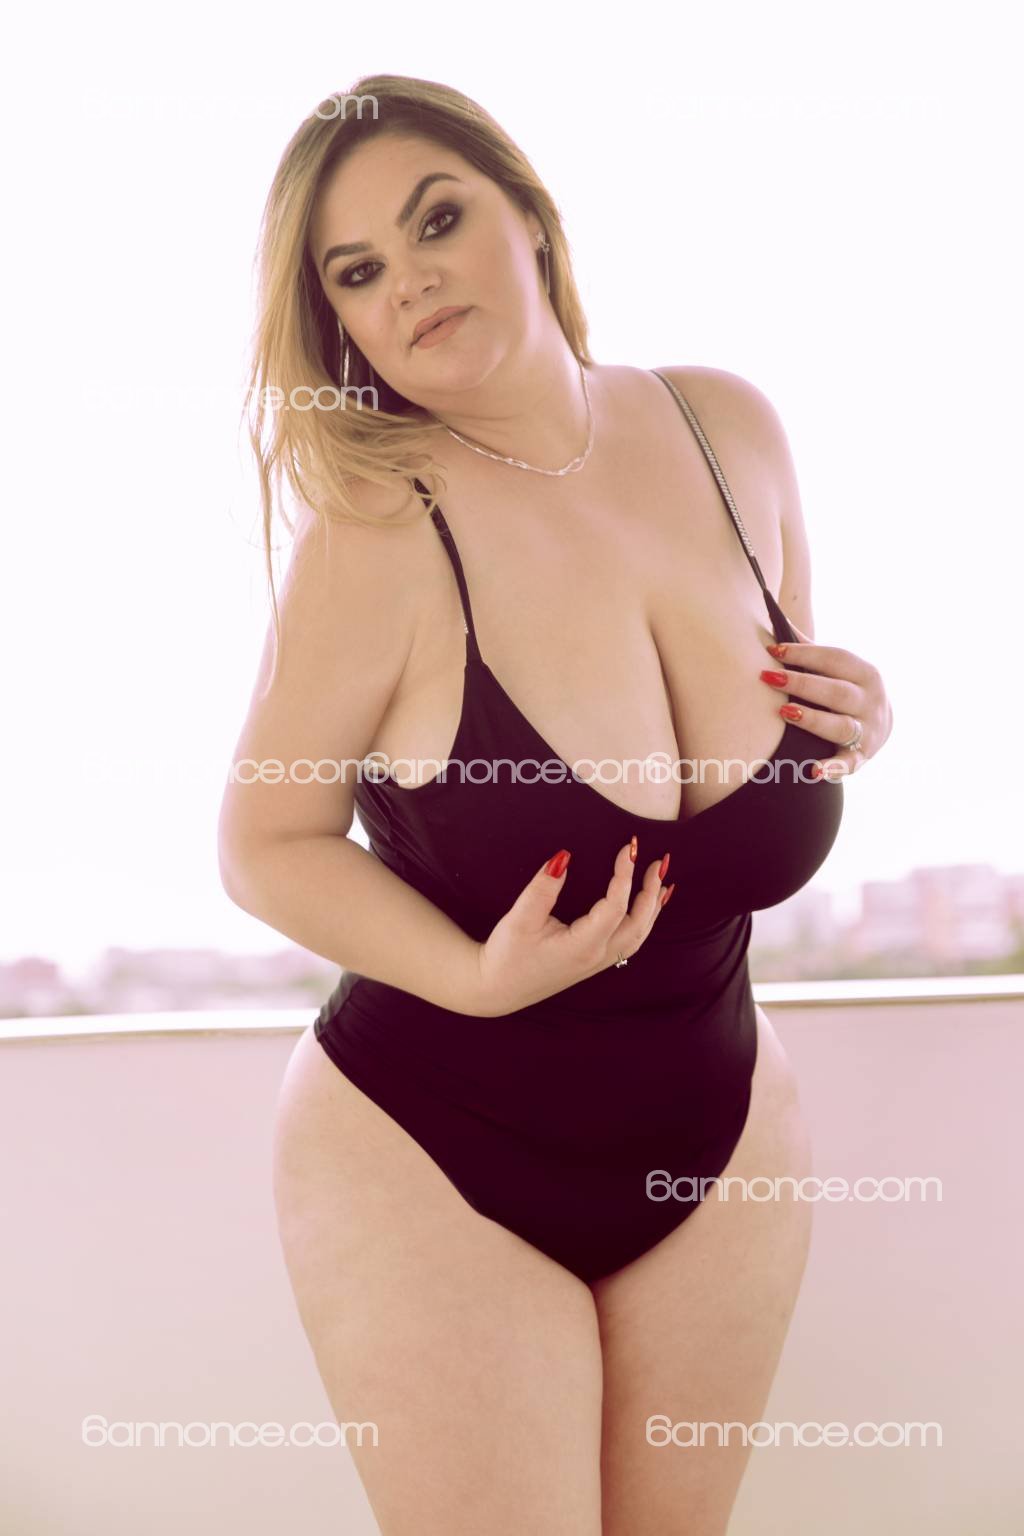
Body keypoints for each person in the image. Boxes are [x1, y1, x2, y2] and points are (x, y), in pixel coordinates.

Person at [219, 75, 893, 1536]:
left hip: (718, 1123)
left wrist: (856, 717)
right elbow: (263, 842)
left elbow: (790, 720)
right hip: (430, 1146)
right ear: (340, 326)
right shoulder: (375, 530)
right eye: (357, 273)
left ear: (528, 216)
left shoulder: (729, 430)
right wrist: (471, 977)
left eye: (436, 221)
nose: (410, 282)